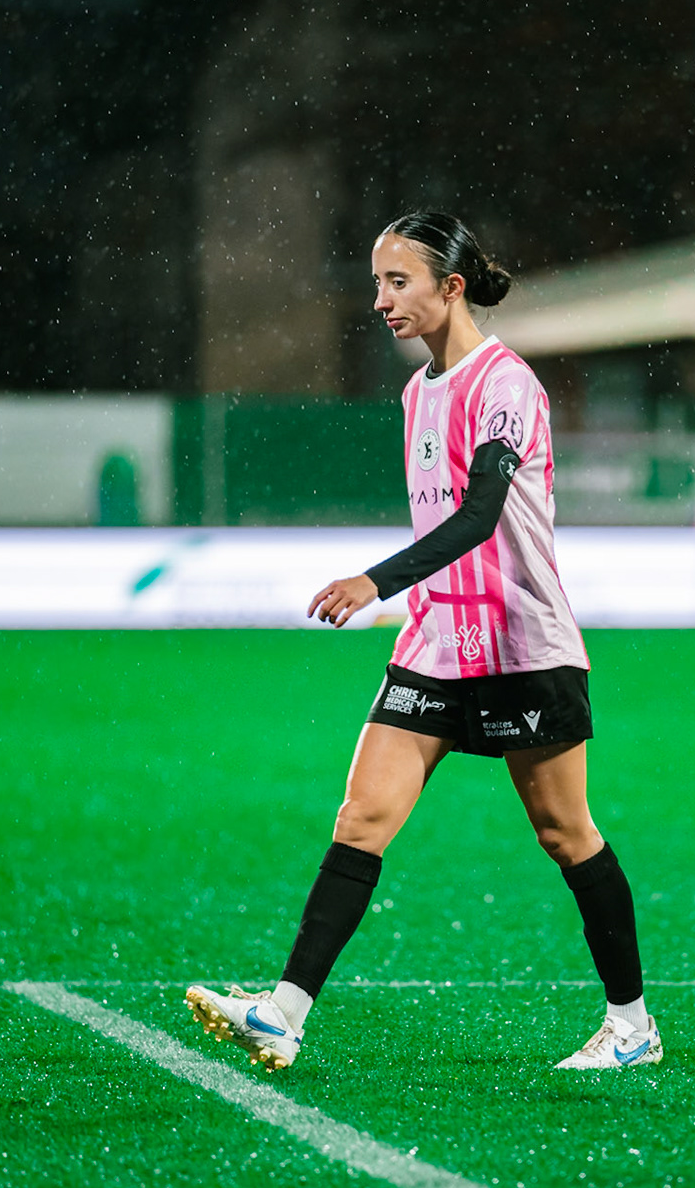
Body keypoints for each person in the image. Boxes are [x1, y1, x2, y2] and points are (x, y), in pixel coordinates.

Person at [185, 212, 660, 1072]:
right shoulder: (417, 394)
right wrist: (407, 599)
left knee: (566, 833)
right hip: (437, 641)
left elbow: (479, 517)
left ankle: (632, 1027)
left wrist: (375, 582)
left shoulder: (507, 385)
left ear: (452, 286)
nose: (381, 300)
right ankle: (283, 1014)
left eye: (398, 282)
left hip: (521, 642)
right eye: (377, 282)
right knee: (362, 816)